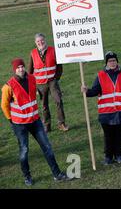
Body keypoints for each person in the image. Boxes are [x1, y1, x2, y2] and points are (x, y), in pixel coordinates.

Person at [2, 58, 70, 186]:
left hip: (35, 120)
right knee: (24, 151)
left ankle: (57, 174)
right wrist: (11, 120)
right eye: (18, 68)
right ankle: (27, 177)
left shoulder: (32, 78)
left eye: (22, 66)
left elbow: (37, 93)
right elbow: (4, 105)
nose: (21, 69)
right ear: (14, 70)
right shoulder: (8, 86)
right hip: (20, 124)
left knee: (47, 147)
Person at [81, 52, 121, 164]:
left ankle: (118, 155)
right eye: (110, 61)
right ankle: (108, 157)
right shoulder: (100, 75)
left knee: (119, 135)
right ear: (106, 63)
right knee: (108, 136)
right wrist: (86, 91)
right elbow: (95, 91)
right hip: (106, 112)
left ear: (117, 61)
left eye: (114, 60)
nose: (112, 63)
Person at [29, 33, 68, 133]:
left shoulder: (53, 50)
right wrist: (33, 85)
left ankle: (61, 123)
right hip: (40, 84)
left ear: (45, 40)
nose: (40, 42)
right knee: (44, 105)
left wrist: (56, 78)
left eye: (42, 40)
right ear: (35, 42)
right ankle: (47, 125)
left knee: (58, 101)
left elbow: (59, 66)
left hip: (52, 81)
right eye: (38, 41)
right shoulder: (32, 53)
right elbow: (30, 71)